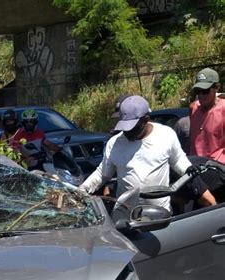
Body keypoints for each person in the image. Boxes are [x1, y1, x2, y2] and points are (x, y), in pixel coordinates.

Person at [79, 95, 215, 210]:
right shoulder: (114, 143)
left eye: (133, 128)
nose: (128, 132)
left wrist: (188, 170)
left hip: (159, 214)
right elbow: (102, 174)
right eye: (125, 128)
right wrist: (83, 188)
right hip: (126, 215)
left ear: (146, 119)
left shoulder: (165, 135)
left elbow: (178, 160)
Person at [189, 68, 225, 163]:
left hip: (218, 169)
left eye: (205, 91)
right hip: (196, 168)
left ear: (216, 87)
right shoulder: (194, 109)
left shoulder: (223, 109)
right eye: (198, 91)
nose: (201, 95)